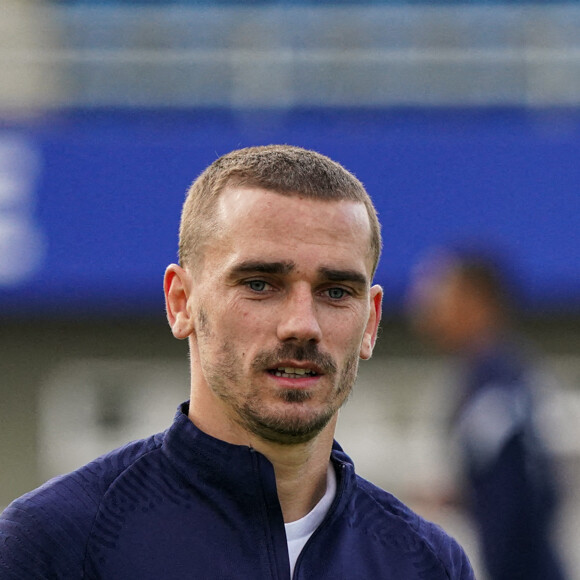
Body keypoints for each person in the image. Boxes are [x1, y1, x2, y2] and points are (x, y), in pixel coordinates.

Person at [0, 145, 474, 579]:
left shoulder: (426, 562)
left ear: (371, 323)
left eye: (335, 292)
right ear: (181, 303)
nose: (302, 325)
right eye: (260, 284)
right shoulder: (54, 543)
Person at [407, 247, 567, 580]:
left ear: (475, 301)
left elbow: (519, 492)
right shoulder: (489, 374)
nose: (425, 308)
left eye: (440, 296)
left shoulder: (496, 383)